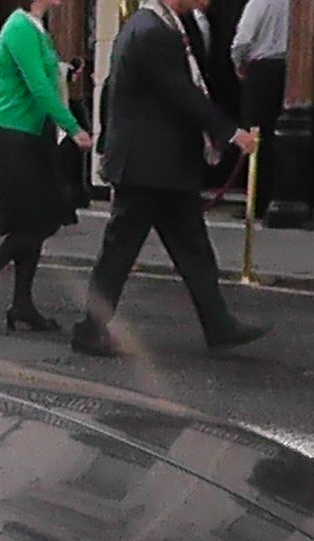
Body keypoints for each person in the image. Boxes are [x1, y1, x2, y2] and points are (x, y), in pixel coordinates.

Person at [72, 0, 269, 357]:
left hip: (161, 168)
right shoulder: (151, 32)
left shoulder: (156, 26)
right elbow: (184, 96)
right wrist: (232, 134)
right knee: (121, 251)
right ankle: (90, 328)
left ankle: (218, 324)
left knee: (192, 249)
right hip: (149, 167)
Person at [0, 0, 92, 333]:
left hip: (31, 136)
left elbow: (41, 73)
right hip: (12, 137)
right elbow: (37, 85)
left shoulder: (34, 26)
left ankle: (22, 304)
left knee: (33, 221)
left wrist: (64, 71)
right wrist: (73, 127)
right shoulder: (19, 28)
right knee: (40, 221)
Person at [230, 0, 288, 175]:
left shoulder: (259, 3)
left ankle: (255, 186)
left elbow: (242, 41)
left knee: (256, 131)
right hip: (288, 68)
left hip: (261, 70)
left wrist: (239, 65)